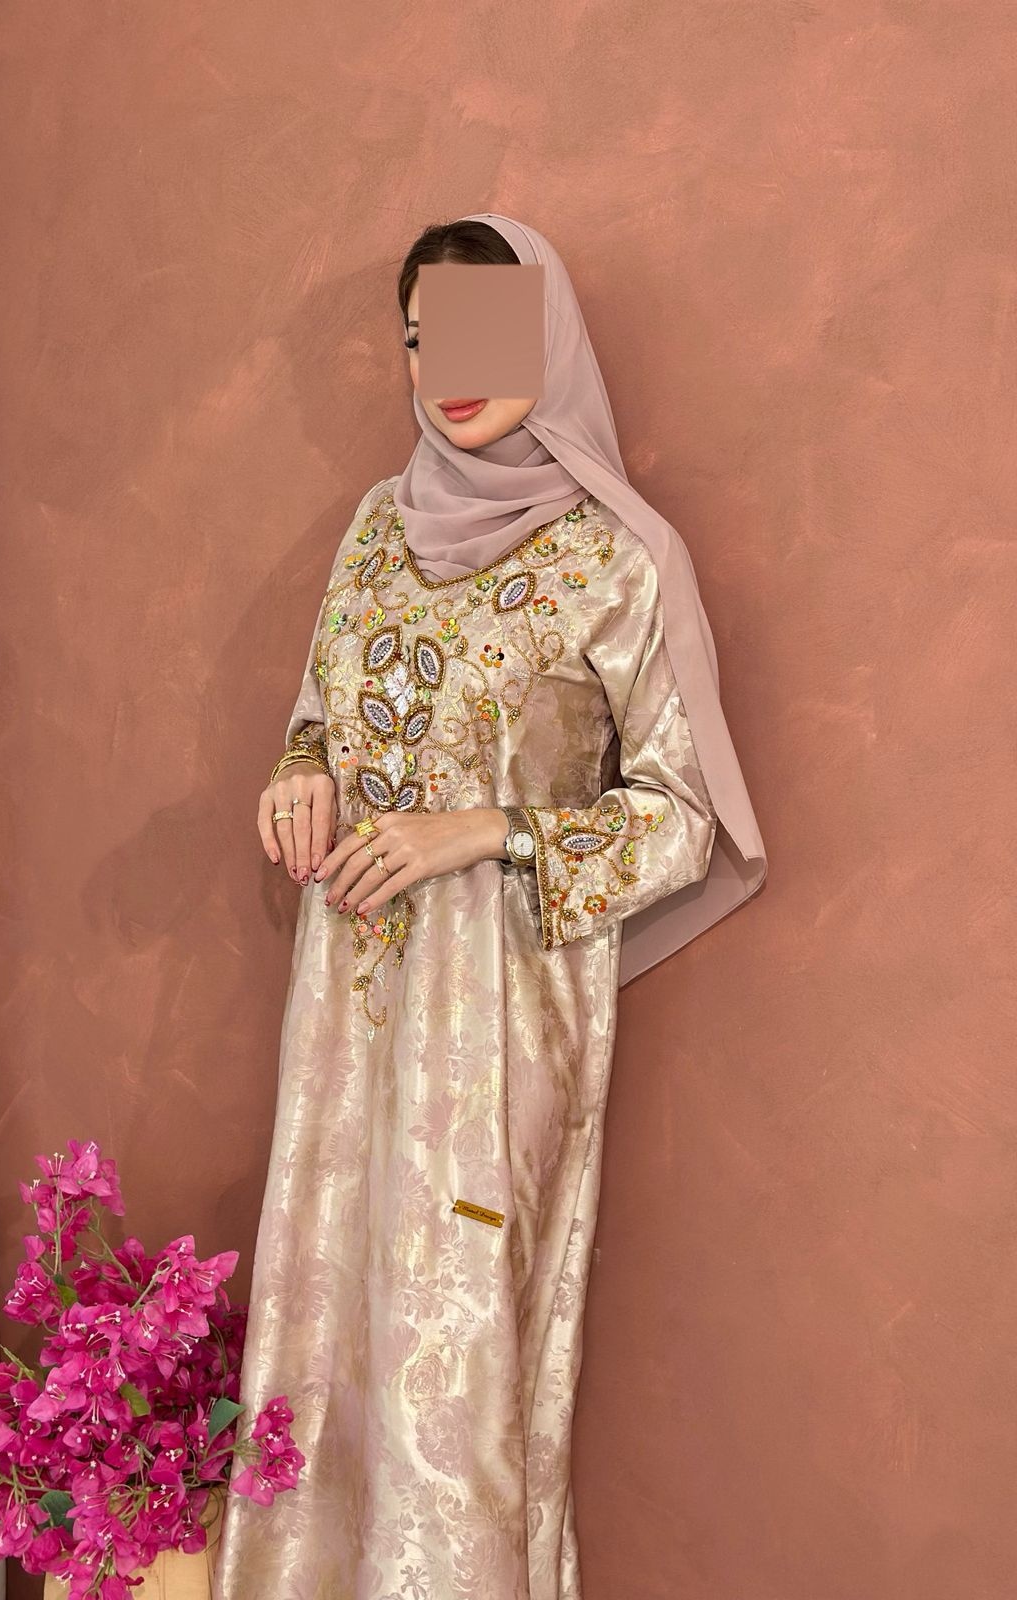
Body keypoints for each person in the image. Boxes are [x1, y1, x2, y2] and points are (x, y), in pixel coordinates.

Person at [210, 212, 767, 1600]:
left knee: (450, 1346)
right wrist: (297, 778)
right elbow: (321, 718)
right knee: (325, 1315)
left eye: (481, 332)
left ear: (547, 336)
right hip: (346, 1006)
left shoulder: (617, 559)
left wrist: (489, 831)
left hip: (498, 1014)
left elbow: (684, 819)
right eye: (422, 338)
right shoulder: (376, 527)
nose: (446, 370)